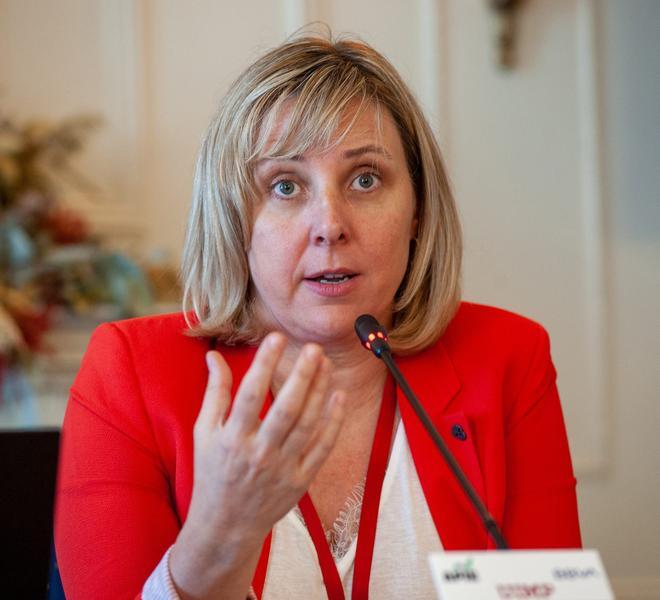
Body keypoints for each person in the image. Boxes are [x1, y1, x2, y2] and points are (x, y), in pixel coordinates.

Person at [54, 33, 581, 600]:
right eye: (285, 186)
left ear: (418, 211)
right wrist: (221, 536)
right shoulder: (131, 375)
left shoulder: (507, 358)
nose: (330, 225)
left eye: (365, 179)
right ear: (234, 219)